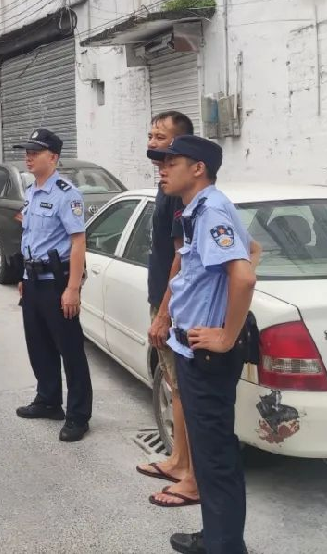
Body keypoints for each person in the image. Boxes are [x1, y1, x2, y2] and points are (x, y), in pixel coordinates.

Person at [147, 135, 257, 554]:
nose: (162, 169)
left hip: (207, 354)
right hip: (193, 349)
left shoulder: (210, 210)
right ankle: (217, 537)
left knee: (214, 458)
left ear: (198, 169)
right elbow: (254, 249)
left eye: (171, 162)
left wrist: (226, 334)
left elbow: (244, 275)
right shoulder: (200, 210)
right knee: (210, 456)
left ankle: (225, 546)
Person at [12, 128, 93, 442]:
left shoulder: (66, 194)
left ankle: (78, 416)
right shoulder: (32, 191)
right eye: (27, 152)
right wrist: (23, 277)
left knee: (70, 351)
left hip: (56, 284)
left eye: (35, 152)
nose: (28, 157)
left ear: (54, 157)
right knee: (39, 345)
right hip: (33, 281)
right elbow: (30, 237)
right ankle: (48, 400)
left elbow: (78, 242)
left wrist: (72, 288)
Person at [137, 111, 200, 508]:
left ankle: (189, 470)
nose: (152, 142)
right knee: (176, 386)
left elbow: (181, 257)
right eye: (150, 135)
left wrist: (164, 313)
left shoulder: (180, 192)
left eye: (160, 137)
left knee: (183, 387)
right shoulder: (165, 184)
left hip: (174, 303)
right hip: (163, 297)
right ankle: (178, 460)